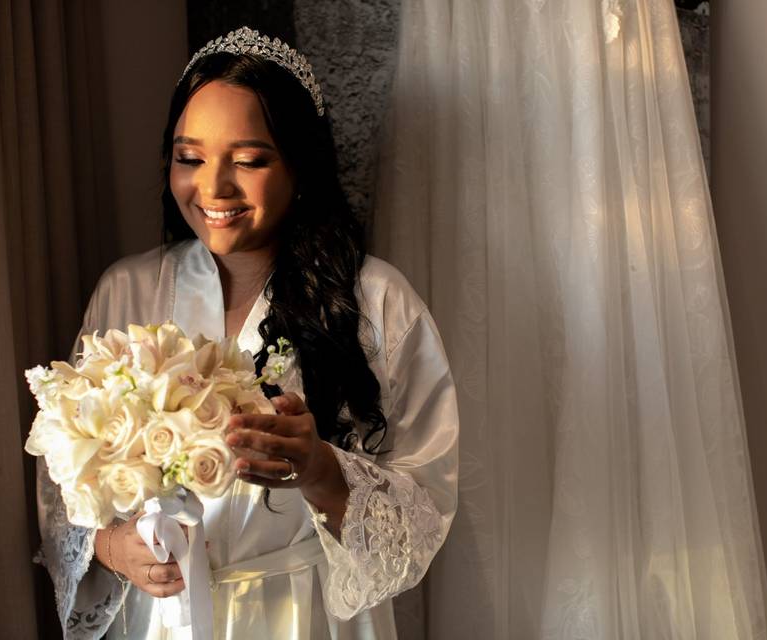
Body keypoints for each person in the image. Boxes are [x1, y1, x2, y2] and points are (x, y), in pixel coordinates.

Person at [35, 26, 459, 639]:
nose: (213, 187)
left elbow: (426, 505)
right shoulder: (126, 290)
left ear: (300, 164)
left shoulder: (378, 300)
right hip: (162, 617)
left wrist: (319, 469)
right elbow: (63, 469)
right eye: (190, 158)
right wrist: (110, 546)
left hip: (305, 614)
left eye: (250, 160)